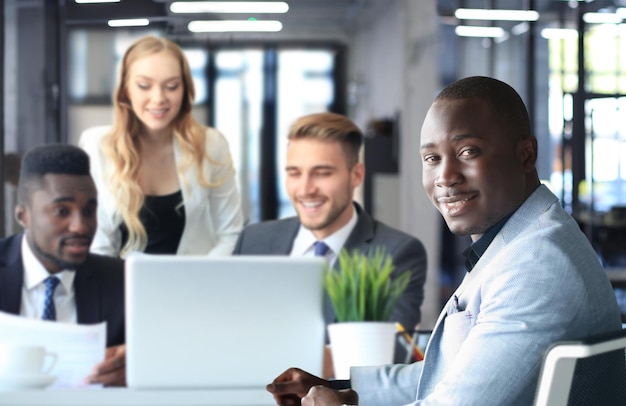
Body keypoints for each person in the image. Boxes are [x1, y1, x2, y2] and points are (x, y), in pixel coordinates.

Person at [265, 76, 623, 405]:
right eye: (431, 158)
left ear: (526, 154)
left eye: (468, 152)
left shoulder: (537, 266)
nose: (445, 176)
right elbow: (455, 374)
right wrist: (346, 390)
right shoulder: (520, 242)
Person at [232, 112, 427, 349]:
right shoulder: (254, 241)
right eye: (294, 173)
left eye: (322, 173)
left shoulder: (396, 253)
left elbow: (388, 354)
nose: (305, 189)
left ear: (356, 175)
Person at [79, 35, 243, 258]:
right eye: (144, 86)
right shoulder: (97, 146)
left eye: (171, 86)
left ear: (185, 89)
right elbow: (98, 242)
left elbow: (230, 234)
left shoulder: (211, 145)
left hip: (194, 284)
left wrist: (198, 283)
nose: (158, 98)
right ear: (126, 89)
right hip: (120, 285)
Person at [0, 144, 126, 386]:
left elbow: (171, 355)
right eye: (61, 211)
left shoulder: (122, 281)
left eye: (89, 210)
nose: (80, 226)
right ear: (23, 216)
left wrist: (140, 364)